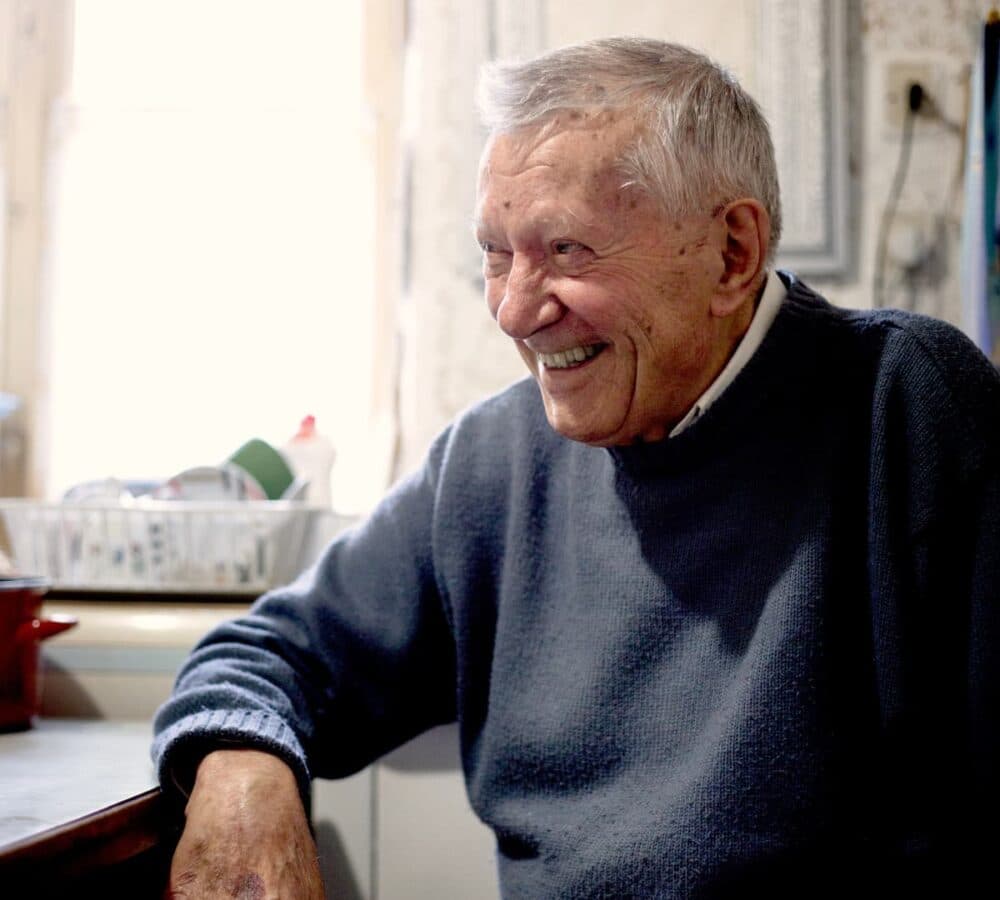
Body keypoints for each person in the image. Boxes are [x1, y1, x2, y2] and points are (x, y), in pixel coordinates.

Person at [153, 37, 1000, 898]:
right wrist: (243, 769)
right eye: (495, 251)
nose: (515, 310)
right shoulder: (490, 464)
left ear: (732, 254)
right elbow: (270, 656)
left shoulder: (908, 407)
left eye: (567, 250)